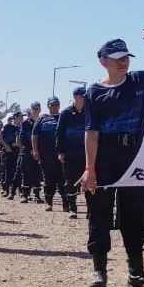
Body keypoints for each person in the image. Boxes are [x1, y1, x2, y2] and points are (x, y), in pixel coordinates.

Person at [79, 30, 144, 287]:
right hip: (104, 158)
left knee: (134, 215)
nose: (123, 62)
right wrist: (89, 169)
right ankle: (99, 271)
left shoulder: (141, 81)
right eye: (116, 58)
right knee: (99, 215)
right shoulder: (94, 92)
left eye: (126, 57)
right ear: (102, 60)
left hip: (134, 156)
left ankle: (135, 272)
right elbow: (91, 133)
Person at [56, 86, 88, 219]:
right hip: (69, 153)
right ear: (76, 97)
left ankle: (90, 210)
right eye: (83, 96)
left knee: (87, 181)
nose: (85, 99)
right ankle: (72, 209)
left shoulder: (89, 112)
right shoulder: (65, 113)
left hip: (86, 153)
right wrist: (60, 151)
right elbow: (59, 133)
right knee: (70, 181)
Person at [34, 96, 65, 212]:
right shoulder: (42, 118)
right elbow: (34, 135)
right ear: (48, 106)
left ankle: (66, 203)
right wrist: (35, 150)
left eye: (57, 104)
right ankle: (49, 202)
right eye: (52, 104)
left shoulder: (64, 117)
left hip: (61, 154)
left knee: (63, 179)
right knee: (48, 178)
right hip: (46, 154)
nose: (55, 106)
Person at [16, 102, 42, 203]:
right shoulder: (25, 124)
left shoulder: (42, 122)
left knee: (37, 174)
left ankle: (37, 196)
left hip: (39, 153)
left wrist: (38, 150)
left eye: (37, 109)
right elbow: (22, 138)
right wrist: (31, 149)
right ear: (31, 110)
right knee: (26, 173)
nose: (35, 110)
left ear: (40, 110)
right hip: (28, 152)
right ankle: (25, 195)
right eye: (34, 109)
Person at [0, 112, 22, 199]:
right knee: (8, 171)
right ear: (15, 118)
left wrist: (18, 144)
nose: (21, 119)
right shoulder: (8, 127)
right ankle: (7, 190)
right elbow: (0, 137)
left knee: (19, 171)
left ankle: (20, 191)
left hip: (18, 151)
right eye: (20, 117)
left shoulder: (21, 127)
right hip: (8, 152)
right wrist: (6, 145)